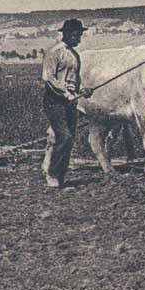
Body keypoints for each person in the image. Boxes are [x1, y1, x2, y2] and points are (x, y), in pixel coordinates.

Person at [41, 19, 93, 188]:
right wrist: (66, 94)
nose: (79, 39)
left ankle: (59, 177)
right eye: (76, 35)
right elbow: (49, 78)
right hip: (55, 101)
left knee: (69, 140)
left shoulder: (74, 55)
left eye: (80, 36)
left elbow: (74, 80)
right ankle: (52, 174)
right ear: (67, 34)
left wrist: (83, 90)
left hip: (70, 102)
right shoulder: (55, 52)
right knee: (64, 136)